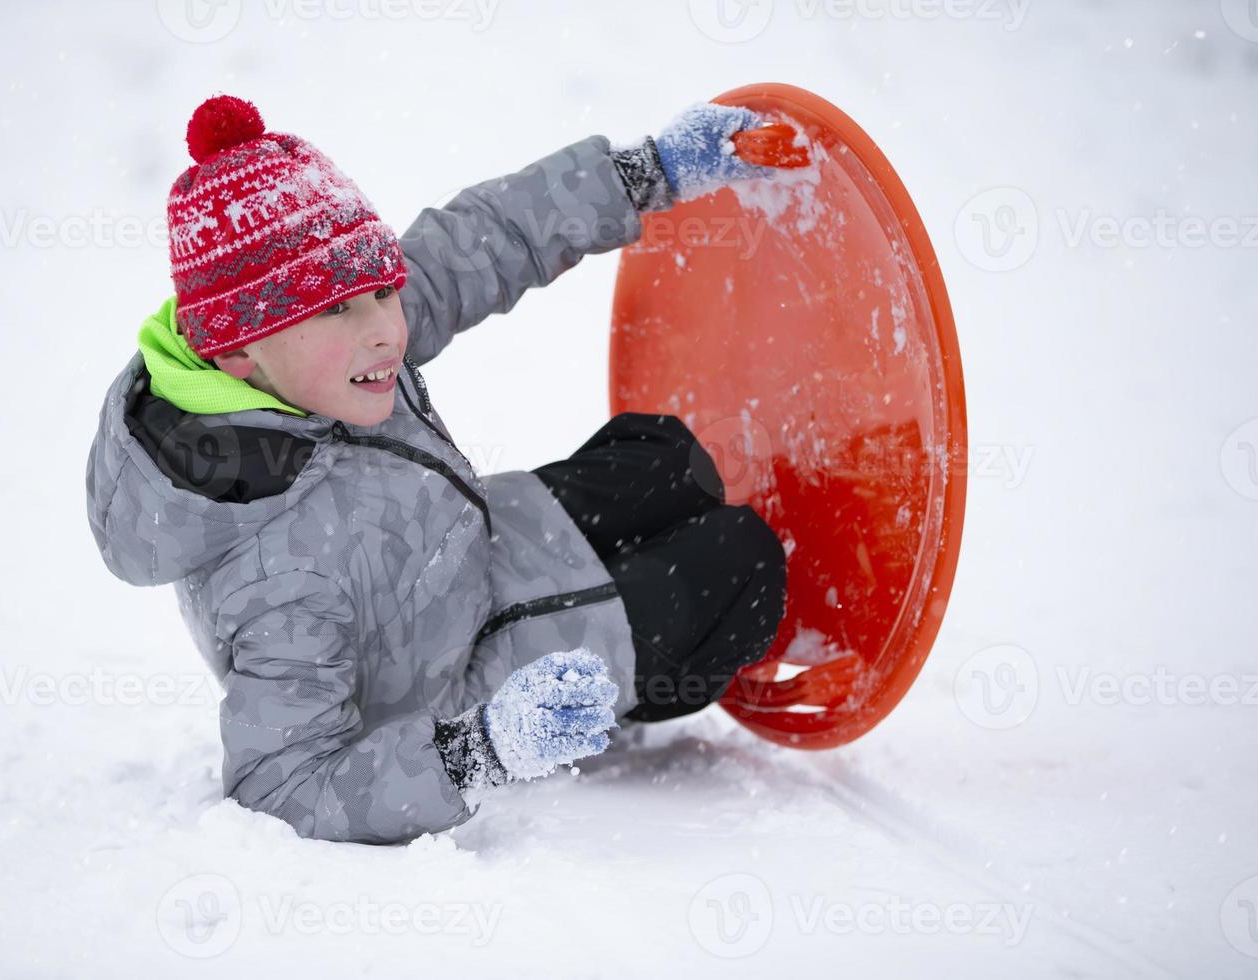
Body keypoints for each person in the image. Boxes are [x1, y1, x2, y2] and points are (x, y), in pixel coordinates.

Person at [84, 94, 787, 844]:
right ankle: (765, 601)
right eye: (341, 311)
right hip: (480, 679)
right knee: (743, 566)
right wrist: (481, 748)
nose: (385, 329)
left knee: (667, 454)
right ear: (234, 352)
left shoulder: (308, 360)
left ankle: (710, 525)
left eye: (383, 291)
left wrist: (646, 172)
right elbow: (282, 783)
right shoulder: (270, 580)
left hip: (484, 550)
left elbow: (481, 240)